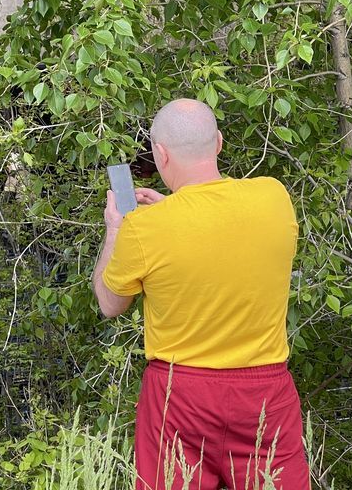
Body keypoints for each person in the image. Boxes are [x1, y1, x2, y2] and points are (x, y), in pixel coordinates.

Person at [91, 98, 310, 490]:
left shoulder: (146, 228)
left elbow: (110, 302)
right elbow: (214, 224)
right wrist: (176, 209)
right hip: (264, 394)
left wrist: (115, 228)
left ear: (160, 153)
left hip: (180, 396)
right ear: (220, 143)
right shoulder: (275, 198)